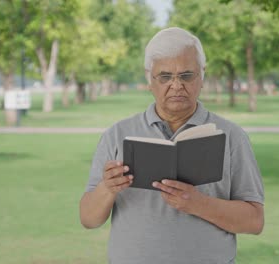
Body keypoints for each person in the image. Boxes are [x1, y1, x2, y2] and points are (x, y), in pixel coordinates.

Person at [79, 27, 264, 264]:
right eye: (165, 76)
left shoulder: (232, 137)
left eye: (186, 75)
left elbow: (254, 221)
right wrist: (108, 187)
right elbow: (88, 219)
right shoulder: (116, 135)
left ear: (202, 76)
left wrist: (198, 204)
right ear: (150, 80)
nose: (176, 86)